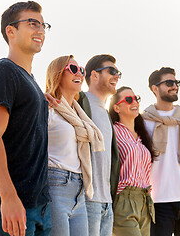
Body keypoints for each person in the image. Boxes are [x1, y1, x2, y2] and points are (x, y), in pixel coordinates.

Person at [0, 1, 52, 236]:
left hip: (39, 205)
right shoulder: (2, 72)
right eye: (32, 23)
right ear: (11, 30)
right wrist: (8, 198)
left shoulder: (31, 81)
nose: (40, 30)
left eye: (43, 25)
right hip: (10, 204)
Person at [45, 55, 105, 236]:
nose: (79, 73)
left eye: (81, 70)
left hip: (79, 190)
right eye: (72, 69)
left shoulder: (79, 114)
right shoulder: (47, 108)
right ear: (57, 75)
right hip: (56, 184)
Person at [142, 67, 180, 236]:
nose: (174, 86)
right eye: (169, 83)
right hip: (158, 202)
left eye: (176, 83)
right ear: (155, 88)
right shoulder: (144, 121)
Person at [77, 54, 122, 236]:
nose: (116, 76)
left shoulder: (104, 111)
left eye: (118, 72)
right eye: (111, 71)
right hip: (88, 201)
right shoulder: (80, 103)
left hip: (106, 203)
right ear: (94, 75)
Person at [109, 86, 156, 236]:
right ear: (117, 107)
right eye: (128, 99)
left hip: (145, 200)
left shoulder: (142, 136)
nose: (134, 102)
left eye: (136, 98)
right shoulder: (113, 131)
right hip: (124, 198)